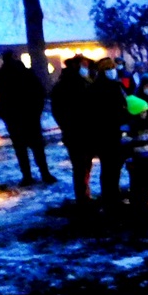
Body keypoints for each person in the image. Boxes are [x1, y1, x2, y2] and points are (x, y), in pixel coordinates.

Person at [0, 51, 56, 186]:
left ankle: (27, 176)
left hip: (13, 118)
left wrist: (4, 114)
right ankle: (44, 173)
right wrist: (36, 112)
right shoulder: (26, 73)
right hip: (30, 116)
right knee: (37, 147)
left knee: (21, 149)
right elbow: (39, 93)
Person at [51, 55, 95, 206]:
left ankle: (85, 195)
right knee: (80, 166)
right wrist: (68, 125)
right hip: (76, 132)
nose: (86, 68)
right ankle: (83, 199)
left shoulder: (85, 81)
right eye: (84, 65)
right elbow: (58, 110)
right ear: (76, 66)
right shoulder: (67, 84)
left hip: (84, 131)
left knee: (85, 165)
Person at [89, 57, 128, 211]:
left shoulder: (99, 87)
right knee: (111, 167)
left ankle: (111, 195)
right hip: (109, 132)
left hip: (106, 132)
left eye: (113, 68)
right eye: (109, 68)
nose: (112, 71)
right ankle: (111, 198)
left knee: (110, 167)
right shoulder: (107, 87)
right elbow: (114, 109)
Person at [124, 95, 148, 215]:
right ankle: (138, 206)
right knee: (138, 184)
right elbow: (126, 145)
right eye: (143, 112)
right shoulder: (131, 128)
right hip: (138, 161)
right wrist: (130, 159)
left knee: (146, 183)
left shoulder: (144, 126)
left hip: (147, 159)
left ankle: (143, 203)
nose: (145, 114)